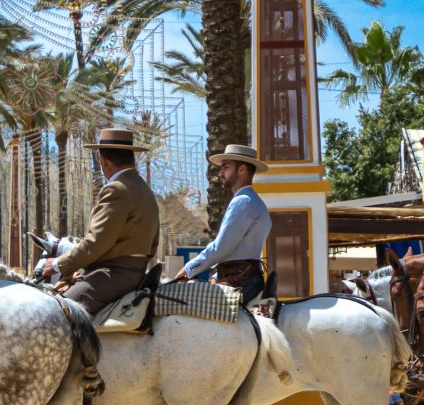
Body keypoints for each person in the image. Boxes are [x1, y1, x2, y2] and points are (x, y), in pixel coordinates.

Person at [39, 127, 160, 317]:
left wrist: (58, 264)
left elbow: (97, 242)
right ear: (132, 158)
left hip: (112, 276)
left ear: (103, 160)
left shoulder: (117, 190)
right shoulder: (145, 191)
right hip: (136, 273)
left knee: (57, 314)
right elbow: (153, 243)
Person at [174, 144, 270, 303]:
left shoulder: (242, 202)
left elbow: (221, 247)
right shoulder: (257, 203)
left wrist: (189, 269)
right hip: (248, 279)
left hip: (237, 282)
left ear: (242, 170)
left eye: (226, 167)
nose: (220, 173)